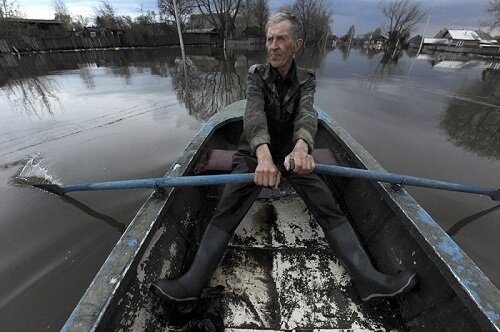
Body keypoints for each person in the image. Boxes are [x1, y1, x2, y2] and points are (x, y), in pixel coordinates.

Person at [150, 11, 416, 303]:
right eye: (269, 39)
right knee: (227, 206)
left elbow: (306, 116)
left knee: (327, 204)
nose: (273, 46)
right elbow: (253, 118)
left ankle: (369, 280)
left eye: (281, 39)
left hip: (292, 154)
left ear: (297, 44)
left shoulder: (307, 81)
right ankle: (192, 284)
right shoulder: (255, 76)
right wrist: (263, 158)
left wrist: (302, 149)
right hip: (254, 154)